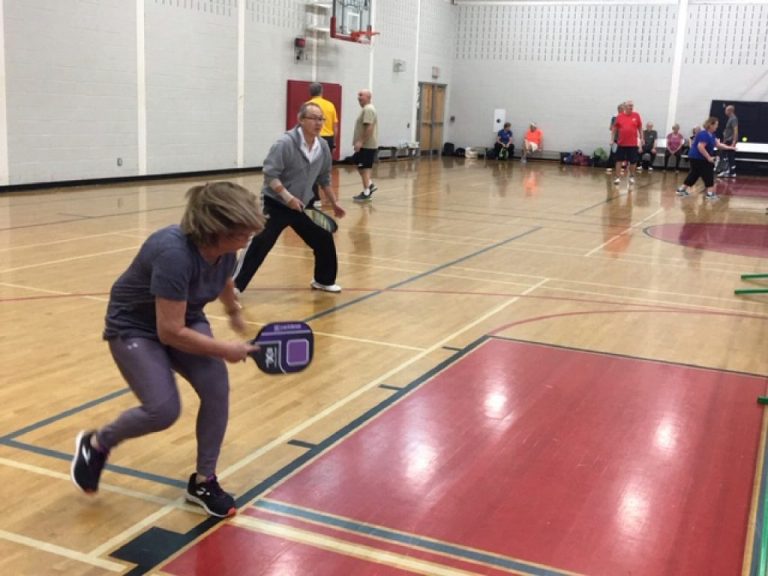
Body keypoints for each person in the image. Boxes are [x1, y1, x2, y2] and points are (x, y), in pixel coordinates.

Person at [70, 181, 266, 518]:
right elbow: (170, 331)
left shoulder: (226, 247)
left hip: (183, 316)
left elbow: (224, 275)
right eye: (240, 231)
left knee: (216, 389)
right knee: (162, 411)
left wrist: (233, 310)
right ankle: (97, 443)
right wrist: (225, 348)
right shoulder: (173, 253)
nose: (248, 236)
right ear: (213, 228)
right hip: (135, 327)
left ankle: (204, 481)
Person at [233, 102, 346, 293]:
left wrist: (334, 203)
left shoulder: (323, 147)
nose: (318, 123)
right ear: (301, 120)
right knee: (261, 242)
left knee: (323, 238)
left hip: (303, 204)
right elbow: (270, 175)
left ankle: (323, 280)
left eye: (321, 119)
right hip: (276, 203)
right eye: (313, 118)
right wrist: (287, 198)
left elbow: (324, 177)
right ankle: (234, 286)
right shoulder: (284, 144)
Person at [676, 116, 736, 201]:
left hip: (699, 158)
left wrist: (730, 148)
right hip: (697, 157)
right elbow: (700, 147)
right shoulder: (703, 134)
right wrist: (708, 157)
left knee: (694, 174)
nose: (717, 126)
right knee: (708, 173)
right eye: (716, 124)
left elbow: (718, 145)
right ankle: (710, 193)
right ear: (710, 125)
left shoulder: (711, 135)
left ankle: (681, 189)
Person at [307, 82, 339, 204]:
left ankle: (315, 198)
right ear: (322, 92)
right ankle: (328, 197)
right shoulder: (330, 105)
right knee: (325, 169)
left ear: (310, 92)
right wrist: (334, 142)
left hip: (314, 139)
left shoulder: (308, 106)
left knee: (311, 168)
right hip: (328, 139)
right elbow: (335, 126)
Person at [352, 89, 379, 202]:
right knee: (357, 161)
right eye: (358, 95)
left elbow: (369, 128)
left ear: (368, 97)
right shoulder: (366, 109)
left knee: (365, 168)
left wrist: (361, 142)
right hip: (365, 145)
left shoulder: (368, 109)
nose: (359, 97)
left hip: (367, 145)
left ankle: (367, 192)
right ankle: (370, 184)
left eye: (361, 95)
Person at [611, 100, 643, 186]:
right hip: (621, 143)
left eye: (632, 105)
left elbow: (640, 127)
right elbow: (614, 129)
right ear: (625, 107)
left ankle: (631, 176)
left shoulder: (636, 115)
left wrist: (642, 138)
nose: (631, 107)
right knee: (619, 161)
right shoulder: (619, 116)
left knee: (633, 161)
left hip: (632, 144)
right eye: (629, 105)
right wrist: (612, 139)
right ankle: (617, 177)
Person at [716, 105, 738, 178]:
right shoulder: (730, 119)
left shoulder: (733, 119)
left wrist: (733, 142)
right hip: (727, 140)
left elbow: (735, 130)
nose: (725, 112)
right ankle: (731, 172)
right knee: (729, 156)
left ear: (730, 111)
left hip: (730, 141)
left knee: (724, 155)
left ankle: (724, 171)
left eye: (726, 110)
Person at [606, 103, 625, 173]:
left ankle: (621, 167)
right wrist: (612, 139)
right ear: (619, 109)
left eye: (624, 109)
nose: (623, 110)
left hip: (623, 139)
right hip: (616, 138)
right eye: (622, 109)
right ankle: (609, 166)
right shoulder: (614, 117)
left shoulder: (626, 117)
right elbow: (611, 128)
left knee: (623, 153)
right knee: (613, 152)